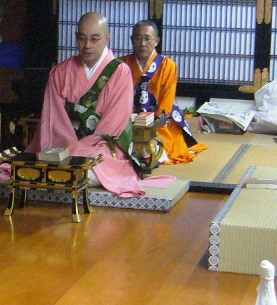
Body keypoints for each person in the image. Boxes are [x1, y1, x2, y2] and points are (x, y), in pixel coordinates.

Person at [24, 11, 174, 197]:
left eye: (94, 39)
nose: (87, 45)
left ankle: (66, 172)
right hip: (63, 144)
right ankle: (64, 170)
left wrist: (79, 150)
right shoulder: (60, 72)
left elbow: (114, 126)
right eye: (82, 38)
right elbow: (52, 119)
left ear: (106, 39)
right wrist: (67, 148)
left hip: (102, 148)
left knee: (88, 169)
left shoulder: (120, 72)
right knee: (50, 163)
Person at [122, 20, 207, 165]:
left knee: (159, 149)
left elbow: (166, 102)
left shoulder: (167, 65)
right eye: (138, 38)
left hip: (159, 120)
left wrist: (153, 123)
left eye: (147, 38)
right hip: (128, 120)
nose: (142, 44)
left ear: (156, 41)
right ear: (131, 39)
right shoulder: (122, 64)